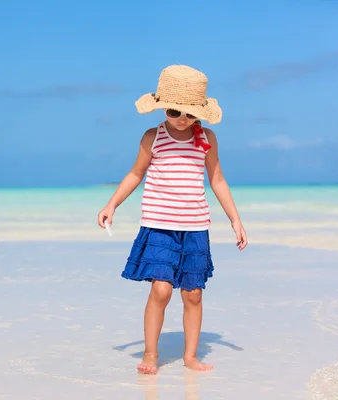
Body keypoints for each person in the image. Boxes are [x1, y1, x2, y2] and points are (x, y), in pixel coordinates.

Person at [97, 65, 248, 374]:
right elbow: (135, 174)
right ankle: (150, 354)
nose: (182, 119)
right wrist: (112, 204)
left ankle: (190, 356)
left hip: (194, 227)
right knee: (161, 290)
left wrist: (236, 220)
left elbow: (217, 180)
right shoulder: (153, 136)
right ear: (162, 108)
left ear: (200, 114)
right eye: (174, 111)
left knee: (193, 293)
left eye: (190, 113)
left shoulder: (206, 138)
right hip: (159, 226)